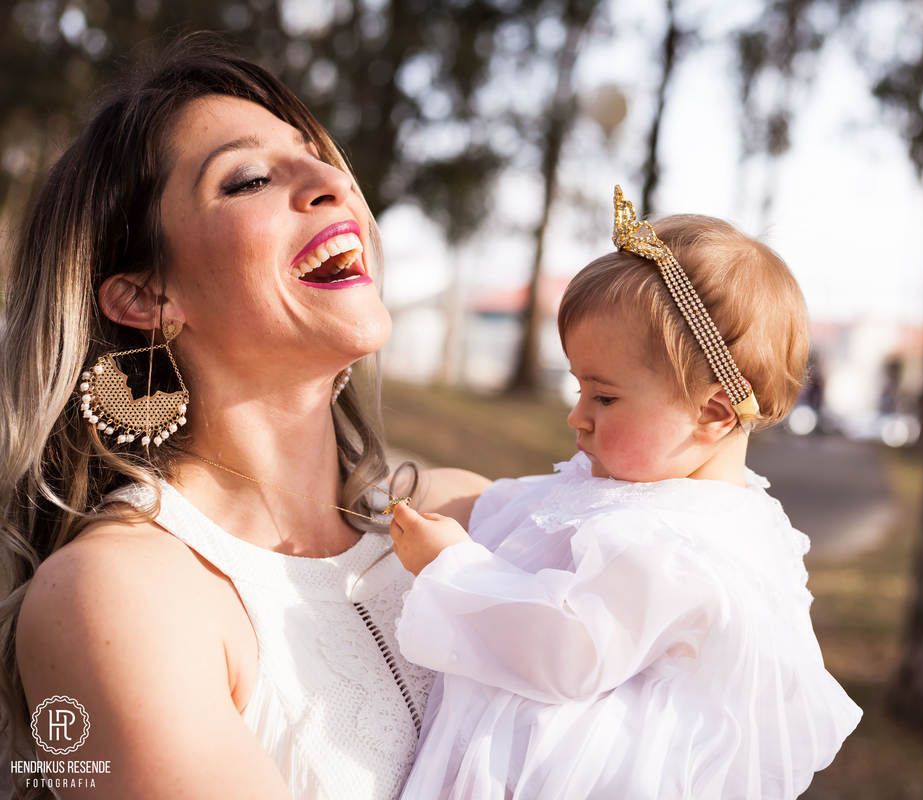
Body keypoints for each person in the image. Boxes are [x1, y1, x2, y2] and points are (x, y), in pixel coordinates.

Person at [0, 39, 489, 800]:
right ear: (147, 297)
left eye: (319, 158)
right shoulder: (119, 594)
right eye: (250, 179)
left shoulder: (476, 513)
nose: (334, 183)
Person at [388, 187, 863, 799]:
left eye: (604, 396)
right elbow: (535, 512)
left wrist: (453, 568)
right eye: (579, 388)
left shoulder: (676, 547)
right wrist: (451, 501)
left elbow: (570, 647)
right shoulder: (650, 492)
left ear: (714, 413)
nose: (577, 416)